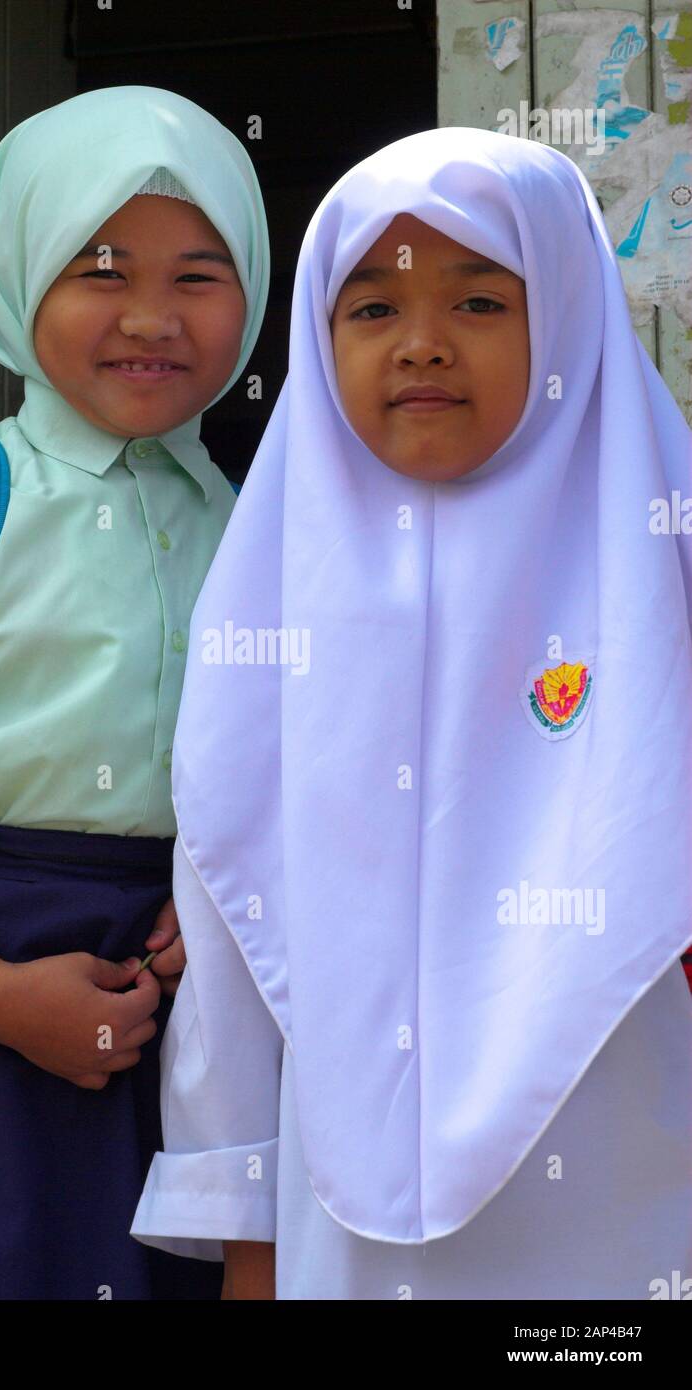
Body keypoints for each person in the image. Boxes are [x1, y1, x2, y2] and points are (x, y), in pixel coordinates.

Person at [130, 126, 692, 1300]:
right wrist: (247, 1229)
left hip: (638, 1185)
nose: (423, 344)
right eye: (371, 309)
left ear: (572, 318)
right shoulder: (279, 584)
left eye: (481, 301)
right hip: (349, 1216)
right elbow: (232, 919)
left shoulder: (662, 560)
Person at [0, 84, 269, 1300]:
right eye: (100, 269)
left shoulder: (273, 536)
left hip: (178, 1032)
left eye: (198, 275)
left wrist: (234, 895)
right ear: (19, 275)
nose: (150, 318)